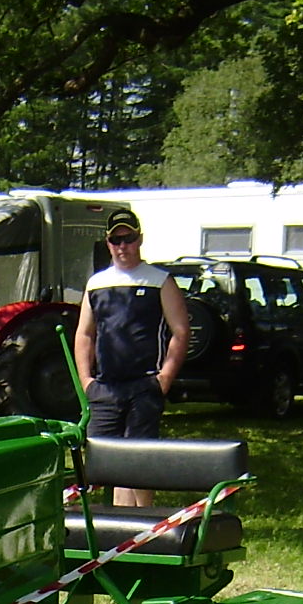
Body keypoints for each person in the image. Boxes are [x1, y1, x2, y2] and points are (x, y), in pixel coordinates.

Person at [72, 210, 189, 506]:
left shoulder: (159, 280)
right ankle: (115, 530)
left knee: (140, 459)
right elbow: (84, 334)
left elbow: (180, 331)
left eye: (128, 239)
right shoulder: (96, 284)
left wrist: (164, 379)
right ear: (108, 244)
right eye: (116, 240)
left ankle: (144, 527)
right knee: (105, 461)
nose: (122, 246)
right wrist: (86, 381)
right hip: (105, 388)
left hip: (144, 385)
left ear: (140, 240)